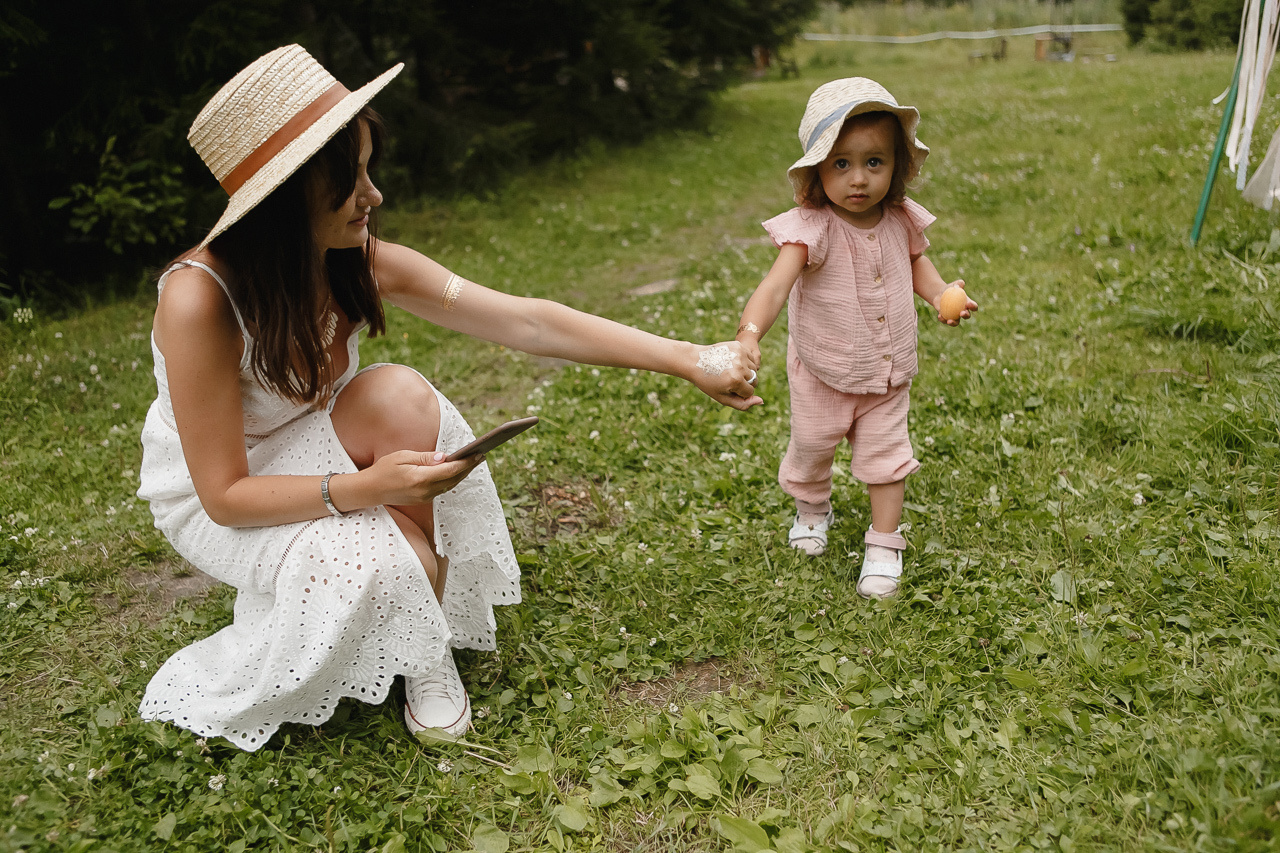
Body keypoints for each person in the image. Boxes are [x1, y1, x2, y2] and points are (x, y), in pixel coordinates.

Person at [136, 45, 761, 751]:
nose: (374, 196)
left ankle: (423, 656)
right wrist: (369, 486)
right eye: (350, 179)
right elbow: (224, 493)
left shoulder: (349, 260)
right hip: (226, 486)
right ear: (287, 200)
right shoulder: (198, 300)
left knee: (401, 395)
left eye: (370, 169)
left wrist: (687, 360)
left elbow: (525, 319)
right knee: (378, 555)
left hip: (315, 438)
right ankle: (391, 614)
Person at [733, 77, 976, 600]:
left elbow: (918, 265)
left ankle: (884, 543)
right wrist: (749, 334)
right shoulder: (811, 228)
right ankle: (812, 509)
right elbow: (773, 289)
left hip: (886, 373)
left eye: (875, 162)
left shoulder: (899, 221)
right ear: (818, 171)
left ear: (897, 166)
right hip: (823, 371)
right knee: (812, 449)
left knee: (888, 459)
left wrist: (940, 296)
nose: (859, 178)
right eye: (841, 163)